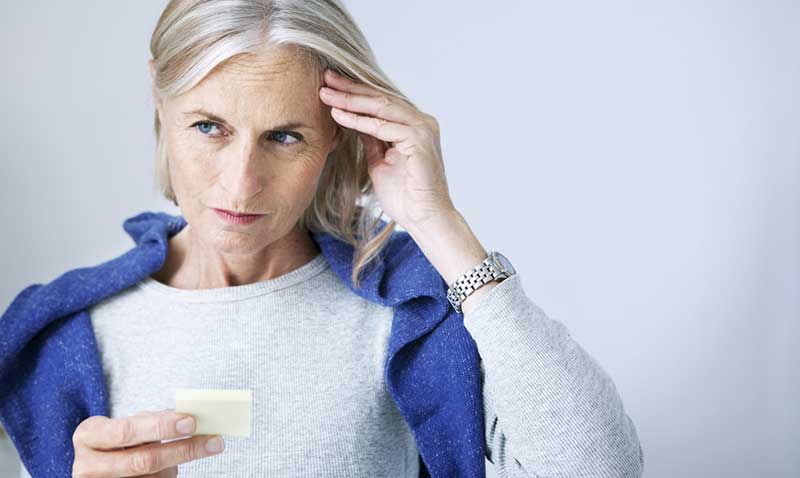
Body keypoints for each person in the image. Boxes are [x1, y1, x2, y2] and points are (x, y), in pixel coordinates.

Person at [1, 1, 644, 477]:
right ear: (158, 99)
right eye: (209, 127)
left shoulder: (408, 311)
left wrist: (437, 222)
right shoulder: (66, 334)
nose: (241, 184)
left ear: (338, 132)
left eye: (285, 136)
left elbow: (599, 468)